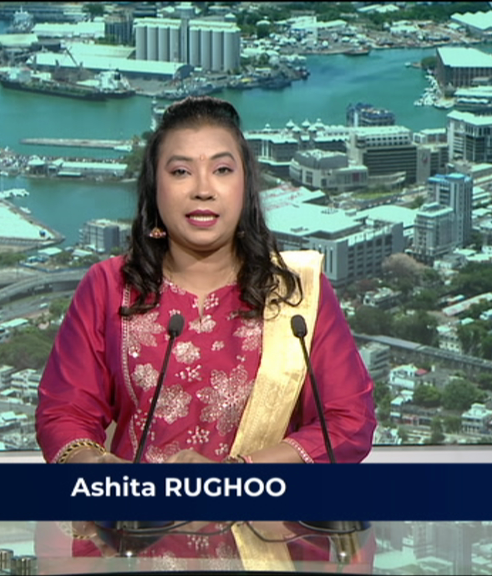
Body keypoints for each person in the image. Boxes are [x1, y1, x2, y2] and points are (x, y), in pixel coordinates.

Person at [36, 96, 376, 467]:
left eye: (222, 170)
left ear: (245, 185)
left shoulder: (298, 293)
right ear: (154, 186)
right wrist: (94, 464)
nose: (203, 189)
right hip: (137, 504)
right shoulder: (109, 286)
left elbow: (348, 422)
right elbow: (64, 413)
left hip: (262, 503)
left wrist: (237, 474)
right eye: (181, 171)